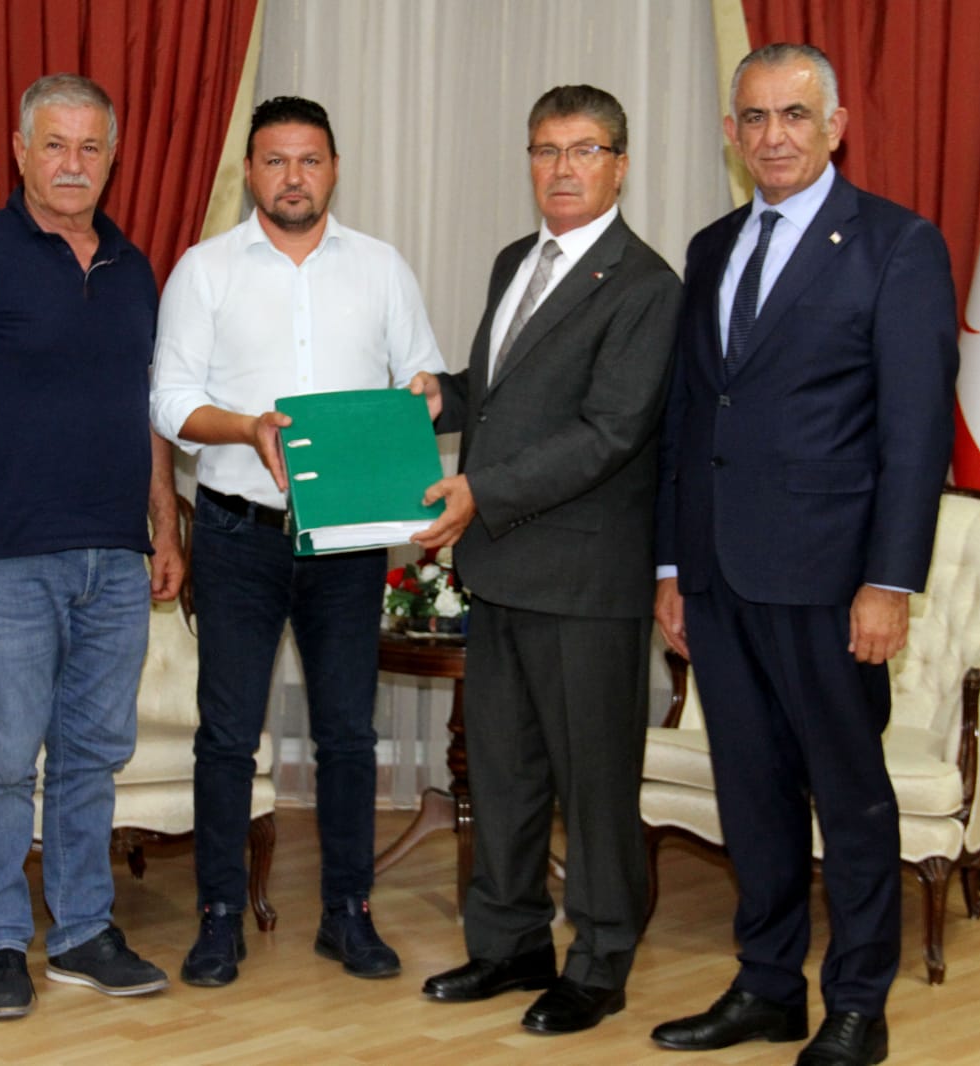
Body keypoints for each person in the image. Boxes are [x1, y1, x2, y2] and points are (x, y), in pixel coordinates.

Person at [650, 44, 958, 1066]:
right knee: (751, 792)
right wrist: (671, 568)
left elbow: (915, 432)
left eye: (793, 115)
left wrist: (889, 580)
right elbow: (689, 418)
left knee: (850, 796)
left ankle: (858, 1004)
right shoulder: (712, 246)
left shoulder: (895, 245)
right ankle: (767, 985)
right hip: (717, 575)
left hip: (831, 578)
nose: (772, 135)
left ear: (834, 128)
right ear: (730, 133)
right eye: (754, 117)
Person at [0, 73, 181, 1020]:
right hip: (8, 557)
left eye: (90, 147)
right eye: (53, 144)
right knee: (6, 755)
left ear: (113, 157)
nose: (72, 163)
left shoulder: (135, 268)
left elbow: (147, 407)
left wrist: (163, 522)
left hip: (115, 557)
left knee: (93, 752)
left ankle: (83, 932)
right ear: (19, 151)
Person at [149, 96, 445, 987]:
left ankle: (348, 914)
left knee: (348, 734)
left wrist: (419, 401)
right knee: (227, 735)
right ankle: (218, 918)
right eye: (275, 161)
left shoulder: (382, 268)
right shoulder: (204, 270)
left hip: (348, 541)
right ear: (250, 171)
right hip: (240, 535)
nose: (293, 178)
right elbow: (169, 400)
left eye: (309, 160)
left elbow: (423, 378)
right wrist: (246, 428)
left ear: (334, 169)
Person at [409, 85, 681, 1035]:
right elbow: (505, 396)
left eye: (584, 150)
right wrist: (441, 398)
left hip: (585, 581)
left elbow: (609, 432)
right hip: (501, 569)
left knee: (594, 787)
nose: (562, 169)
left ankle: (599, 963)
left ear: (620, 164)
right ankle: (509, 944)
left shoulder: (646, 286)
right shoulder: (511, 262)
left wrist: (481, 490)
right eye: (545, 150)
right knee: (506, 774)